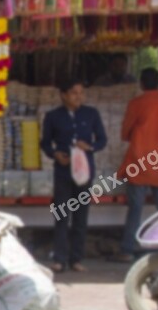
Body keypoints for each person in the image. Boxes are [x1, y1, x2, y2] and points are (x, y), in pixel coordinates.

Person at [41, 78, 108, 273]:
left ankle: (76, 259)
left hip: (85, 170)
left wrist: (90, 147)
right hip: (63, 170)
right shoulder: (53, 116)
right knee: (61, 214)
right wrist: (55, 154)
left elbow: (102, 139)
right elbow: (45, 143)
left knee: (81, 214)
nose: (78, 97)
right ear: (63, 95)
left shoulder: (91, 114)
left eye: (81, 93)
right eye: (74, 93)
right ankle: (59, 259)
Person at [110, 68, 158, 263]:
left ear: (141, 83)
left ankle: (128, 249)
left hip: (140, 161)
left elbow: (125, 132)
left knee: (135, 208)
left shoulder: (136, 104)